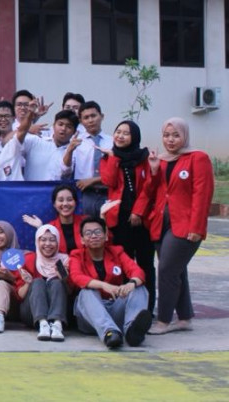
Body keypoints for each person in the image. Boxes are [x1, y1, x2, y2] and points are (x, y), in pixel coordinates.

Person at [139, 117, 214, 335]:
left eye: (175, 135)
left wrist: (197, 227)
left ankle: (163, 320)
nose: (170, 140)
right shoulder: (160, 160)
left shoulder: (197, 158)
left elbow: (203, 194)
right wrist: (153, 171)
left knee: (167, 270)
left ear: (185, 136)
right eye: (166, 135)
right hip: (160, 222)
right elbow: (152, 192)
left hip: (185, 223)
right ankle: (184, 318)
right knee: (177, 271)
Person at [97, 120, 156, 314]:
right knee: (123, 263)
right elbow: (109, 181)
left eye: (126, 133)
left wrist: (138, 212)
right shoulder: (107, 158)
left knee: (145, 264)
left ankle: (147, 308)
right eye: (118, 132)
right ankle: (127, 307)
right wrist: (113, 158)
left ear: (135, 137)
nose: (120, 136)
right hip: (118, 219)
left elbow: (148, 188)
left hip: (142, 219)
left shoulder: (144, 158)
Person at [69, 216, 151, 349]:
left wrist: (131, 283)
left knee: (139, 288)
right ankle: (109, 333)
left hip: (114, 308)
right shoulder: (76, 255)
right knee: (86, 291)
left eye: (98, 232)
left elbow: (137, 271)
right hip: (89, 316)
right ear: (82, 240)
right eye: (88, 233)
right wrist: (103, 285)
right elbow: (76, 277)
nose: (94, 236)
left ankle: (132, 330)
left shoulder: (117, 252)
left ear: (106, 236)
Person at [16, 224, 70, 342]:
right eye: (43, 240)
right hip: (31, 314)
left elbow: (71, 293)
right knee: (37, 282)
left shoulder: (64, 260)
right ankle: (43, 324)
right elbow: (20, 295)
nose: (47, 244)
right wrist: (28, 283)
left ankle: (57, 325)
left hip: (60, 314)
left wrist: (64, 279)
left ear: (58, 242)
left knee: (56, 283)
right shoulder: (29, 259)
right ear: (37, 241)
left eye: (52, 240)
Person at [15, 100, 78, 181]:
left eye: (69, 127)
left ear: (74, 131)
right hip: (31, 192)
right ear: (54, 125)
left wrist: (69, 151)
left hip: (57, 192)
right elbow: (11, 143)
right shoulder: (35, 141)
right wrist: (30, 115)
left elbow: (66, 172)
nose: (63, 129)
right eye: (60, 124)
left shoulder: (74, 151)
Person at [73, 101, 113, 216]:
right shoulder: (76, 142)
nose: (90, 120)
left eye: (93, 116)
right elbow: (66, 169)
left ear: (102, 116)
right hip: (84, 194)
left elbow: (116, 171)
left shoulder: (113, 142)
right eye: (86, 117)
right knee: (86, 228)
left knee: (106, 229)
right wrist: (70, 150)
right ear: (81, 121)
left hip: (107, 193)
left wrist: (93, 180)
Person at [22, 183, 85, 254]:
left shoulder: (86, 222)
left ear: (76, 202)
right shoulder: (51, 227)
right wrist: (41, 228)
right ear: (54, 204)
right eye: (61, 200)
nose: (65, 204)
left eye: (69, 200)